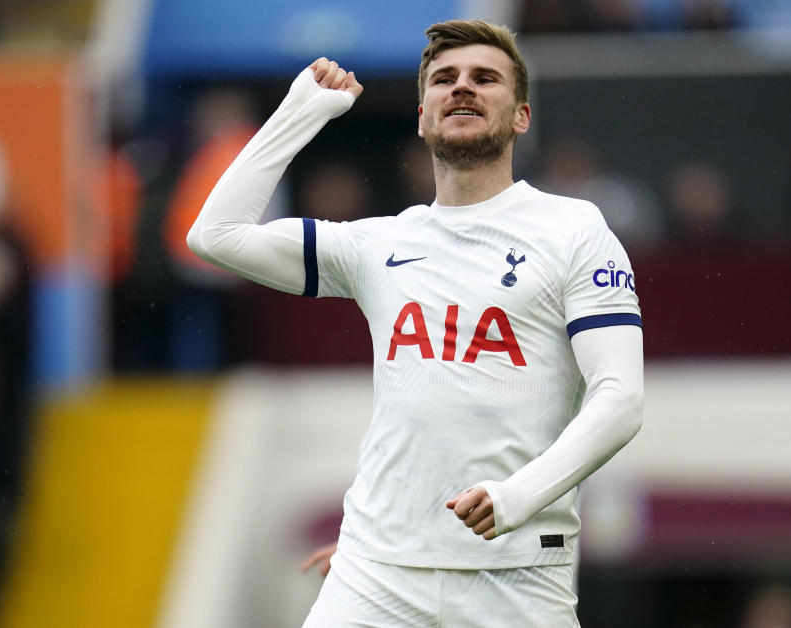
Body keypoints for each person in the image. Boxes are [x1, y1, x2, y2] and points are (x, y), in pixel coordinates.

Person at [187, 19, 644, 626]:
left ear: (522, 116)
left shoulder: (575, 230)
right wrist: (301, 112)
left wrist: (516, 497)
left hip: (517, 575)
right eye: (444, 79)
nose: (463, 88)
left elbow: (621, 399)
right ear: (422, 115)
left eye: (485, 79)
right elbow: (215, 236)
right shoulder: (378, 243)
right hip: (376, 573)